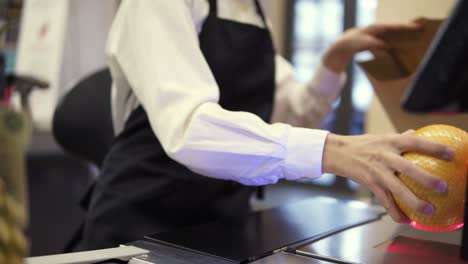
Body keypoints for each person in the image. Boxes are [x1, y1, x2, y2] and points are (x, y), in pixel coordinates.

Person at [76, 0, 454, 250]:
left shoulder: (255, 11)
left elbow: (292, 113)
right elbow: (189, 128)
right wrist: (333, 152)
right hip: (139, 221)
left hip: (219, 225)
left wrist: (336, 58)